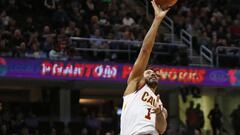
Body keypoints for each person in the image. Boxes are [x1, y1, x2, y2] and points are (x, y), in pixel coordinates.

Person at [120, 1, 169, 135]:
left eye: (154, 74)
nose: (153, 74)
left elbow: (162, 129)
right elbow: (145, 50)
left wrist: (159, 113)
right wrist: (157, 19)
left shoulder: (161, 106)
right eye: (148, 72)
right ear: (141, 76)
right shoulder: (135, 85)